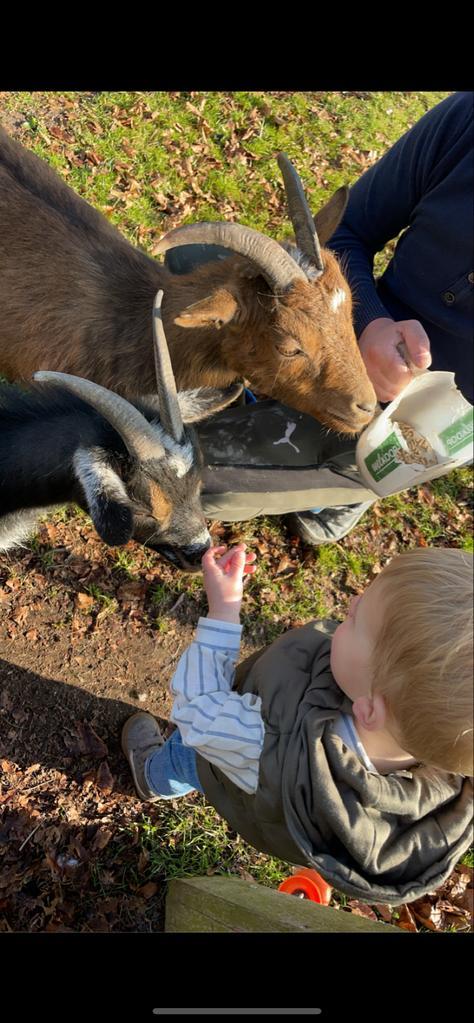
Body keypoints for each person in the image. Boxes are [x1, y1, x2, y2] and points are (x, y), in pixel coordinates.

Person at [121, 542, 473, 905]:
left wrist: (224, 610)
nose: (351, 604)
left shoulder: (268, 741)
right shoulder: (443, 751)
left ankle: (152, 776)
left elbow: (199, 708)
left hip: (227, 764)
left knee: (188, 755)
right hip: (272, 797)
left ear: (370, 710)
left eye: (358, 620)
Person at [287, 89, 473, 544]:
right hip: (340, 342)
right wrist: (369, 321)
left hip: (440, 431)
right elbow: (343, 233)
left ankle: (355, 486)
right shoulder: (466, 117)